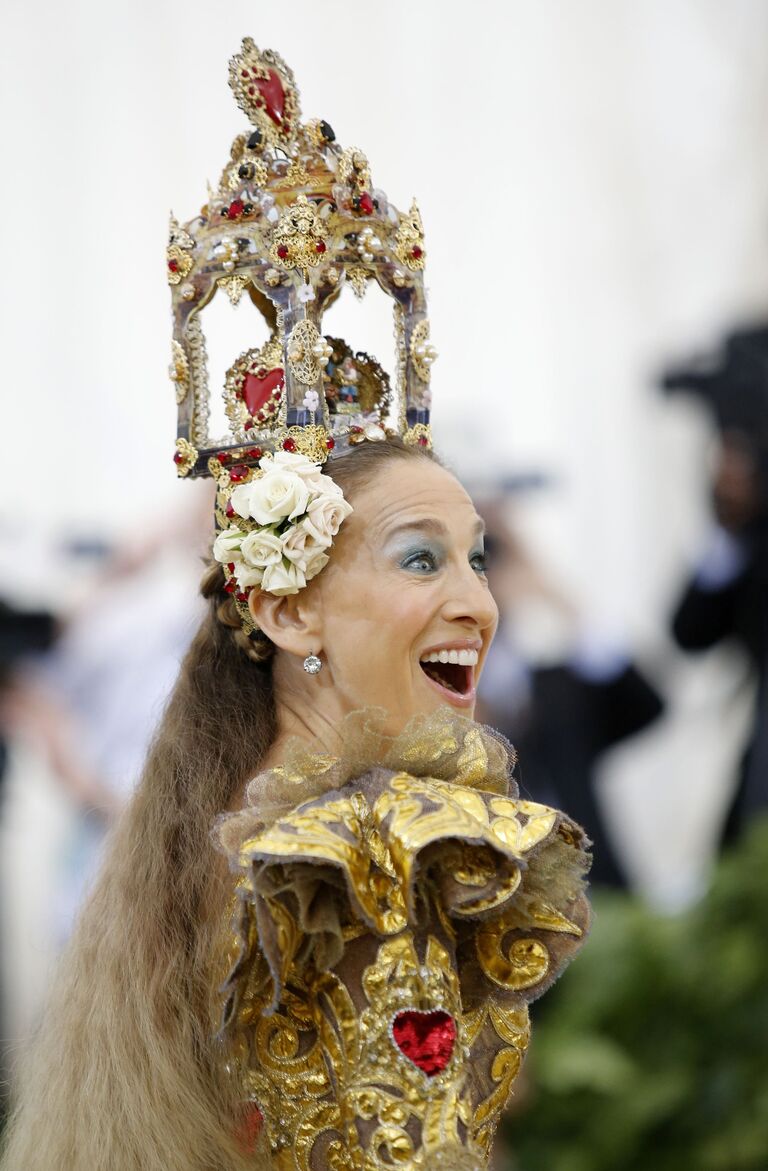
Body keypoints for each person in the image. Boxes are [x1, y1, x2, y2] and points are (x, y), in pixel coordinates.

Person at [0, 41, 590, 1171]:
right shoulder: (334, 856)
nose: (478, 601)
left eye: (479, 556)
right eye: (422, 560)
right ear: (284, 612)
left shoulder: (260, 817)